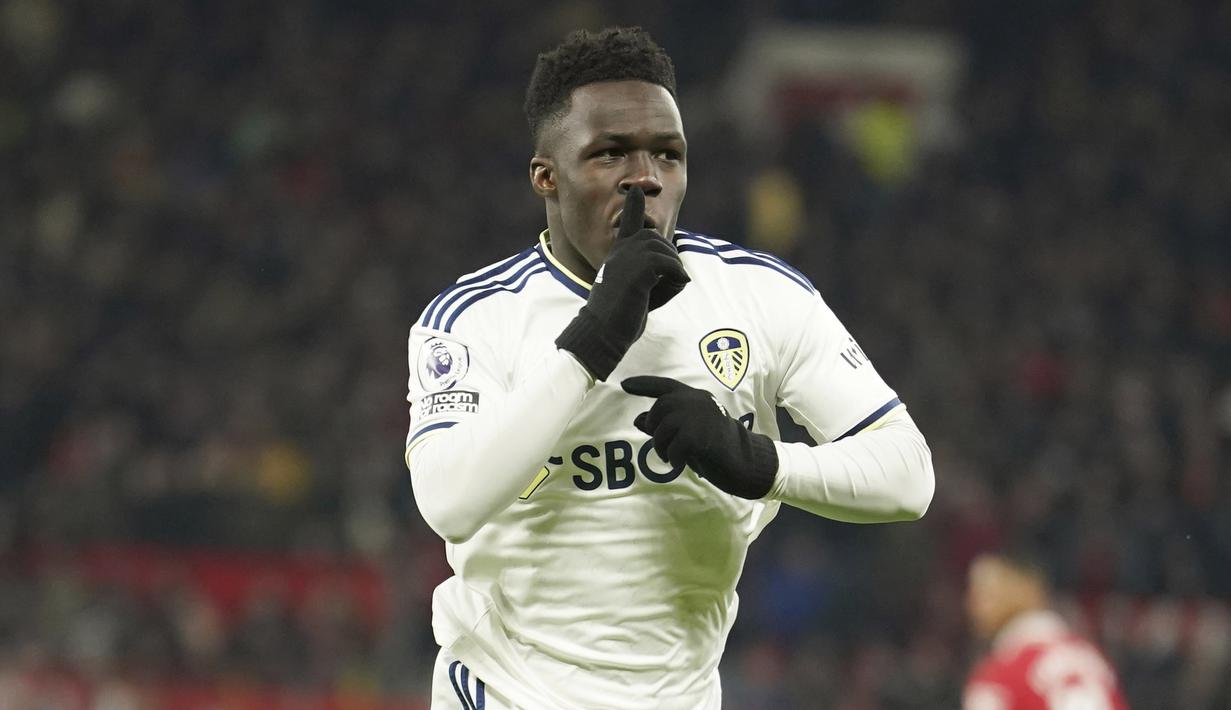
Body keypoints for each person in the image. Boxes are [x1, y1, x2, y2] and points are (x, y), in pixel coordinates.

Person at [405, 26, 935, 709]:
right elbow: (450, 502)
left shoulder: (760, 296)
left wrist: (760, 463)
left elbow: (908, 476)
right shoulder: (477, 318)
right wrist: (597, 335)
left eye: (666, 153)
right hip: (505, 692)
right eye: (609, 154)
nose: (644, 176)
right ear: (546, 176)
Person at [963, 549, 1129, 710]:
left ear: (1027, 588)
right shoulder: (1090, 657)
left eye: (987, 592)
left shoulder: (1000, 675)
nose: (974, 603)